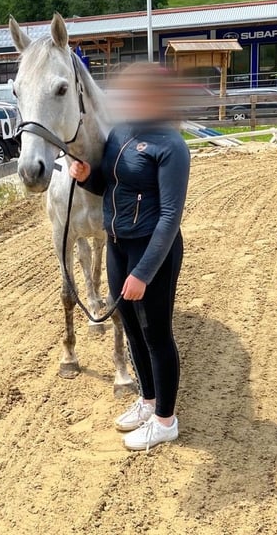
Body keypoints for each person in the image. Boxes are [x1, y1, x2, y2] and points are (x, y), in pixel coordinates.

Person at [69, 63, 190, 451]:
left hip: (153, 250)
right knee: (133, 330)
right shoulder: (121, 133)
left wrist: (143, 273)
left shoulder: (171, 146)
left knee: (157, 334)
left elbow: (170, 217)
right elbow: (110, 185)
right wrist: (87, 176)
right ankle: (148, 401)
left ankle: (166, 420)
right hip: (118, 245)